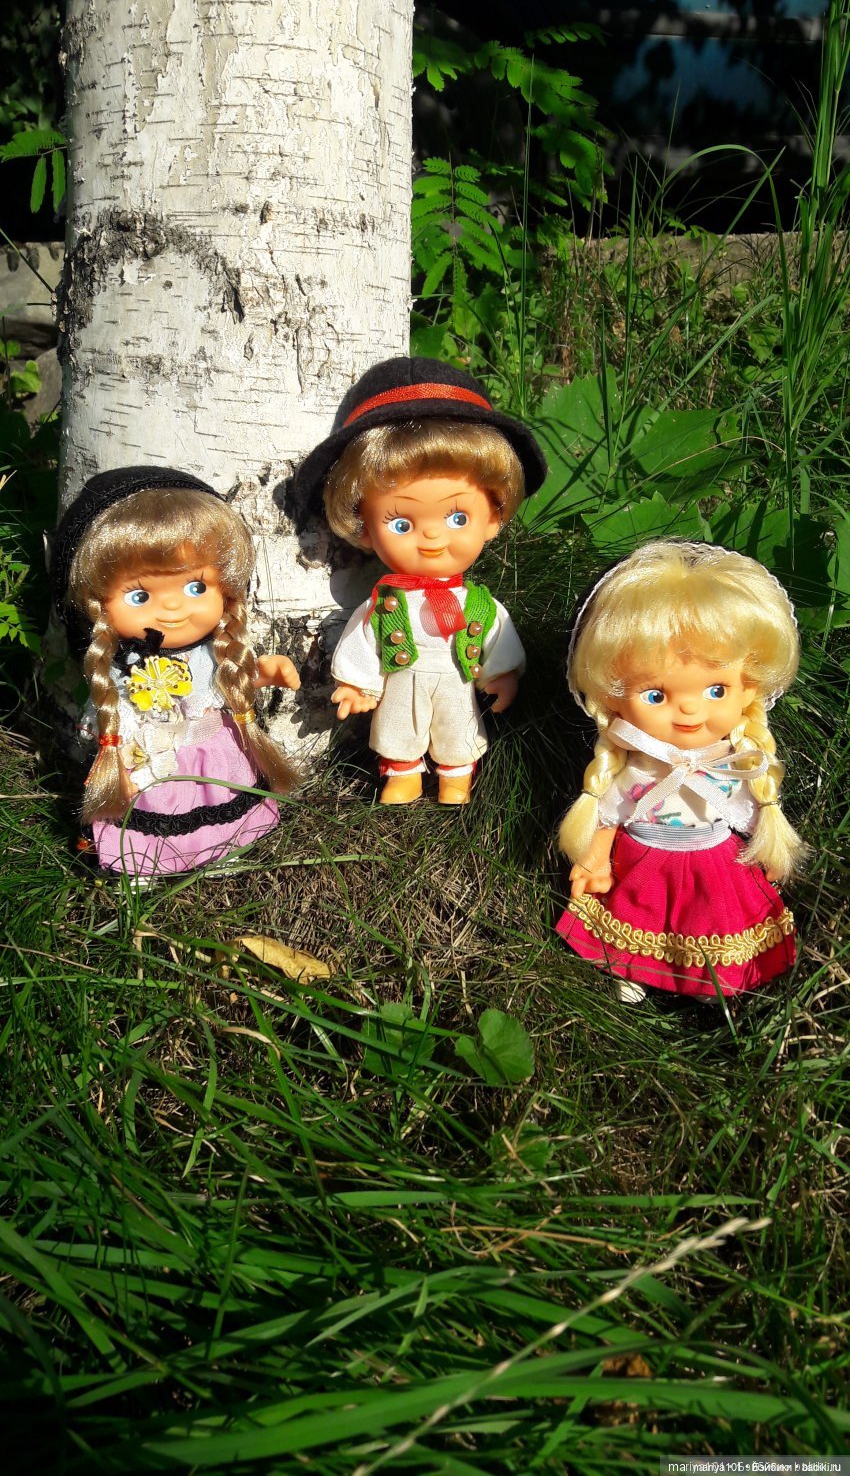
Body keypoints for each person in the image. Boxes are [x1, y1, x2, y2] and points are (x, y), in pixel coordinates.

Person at [556, 540, 807, 1002]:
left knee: (711, 917)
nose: (689, 709)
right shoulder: (635, 767)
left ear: (748, 688)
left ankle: (711, 974)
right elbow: (608, 813)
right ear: (613, 697)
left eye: (717, 690)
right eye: (655, 696)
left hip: (713, 859)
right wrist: (594, 858)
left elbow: (749, 811)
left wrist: (768, 843)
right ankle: (634, 967)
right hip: (645, 859)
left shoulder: (732, 764)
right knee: (639, 914)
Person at [296, 357, 547, 804]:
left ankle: (456, 777)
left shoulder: (478, 603)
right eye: (400, 523)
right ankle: (402, 774)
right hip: (402, 679)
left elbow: (496, 634)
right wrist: (357, 684)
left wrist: (502, 673)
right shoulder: (385, 604)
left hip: (457, 678)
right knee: (398, 725)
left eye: (457, 517)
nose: (431, 535)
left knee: (459, 725)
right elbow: (363, 640)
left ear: (493, 517)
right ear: (364, 528)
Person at [51, 467, 300, 877]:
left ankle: (222, 849)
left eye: (196, 588)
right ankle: (143, 865)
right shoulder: (121, 669)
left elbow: (225, 680)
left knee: (222, 803)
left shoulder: (212, 651)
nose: (171, 608)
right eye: (139, 595)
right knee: (152, 815)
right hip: (149, 759)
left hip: (211, 751)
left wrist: (261, 672)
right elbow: (114, 714)